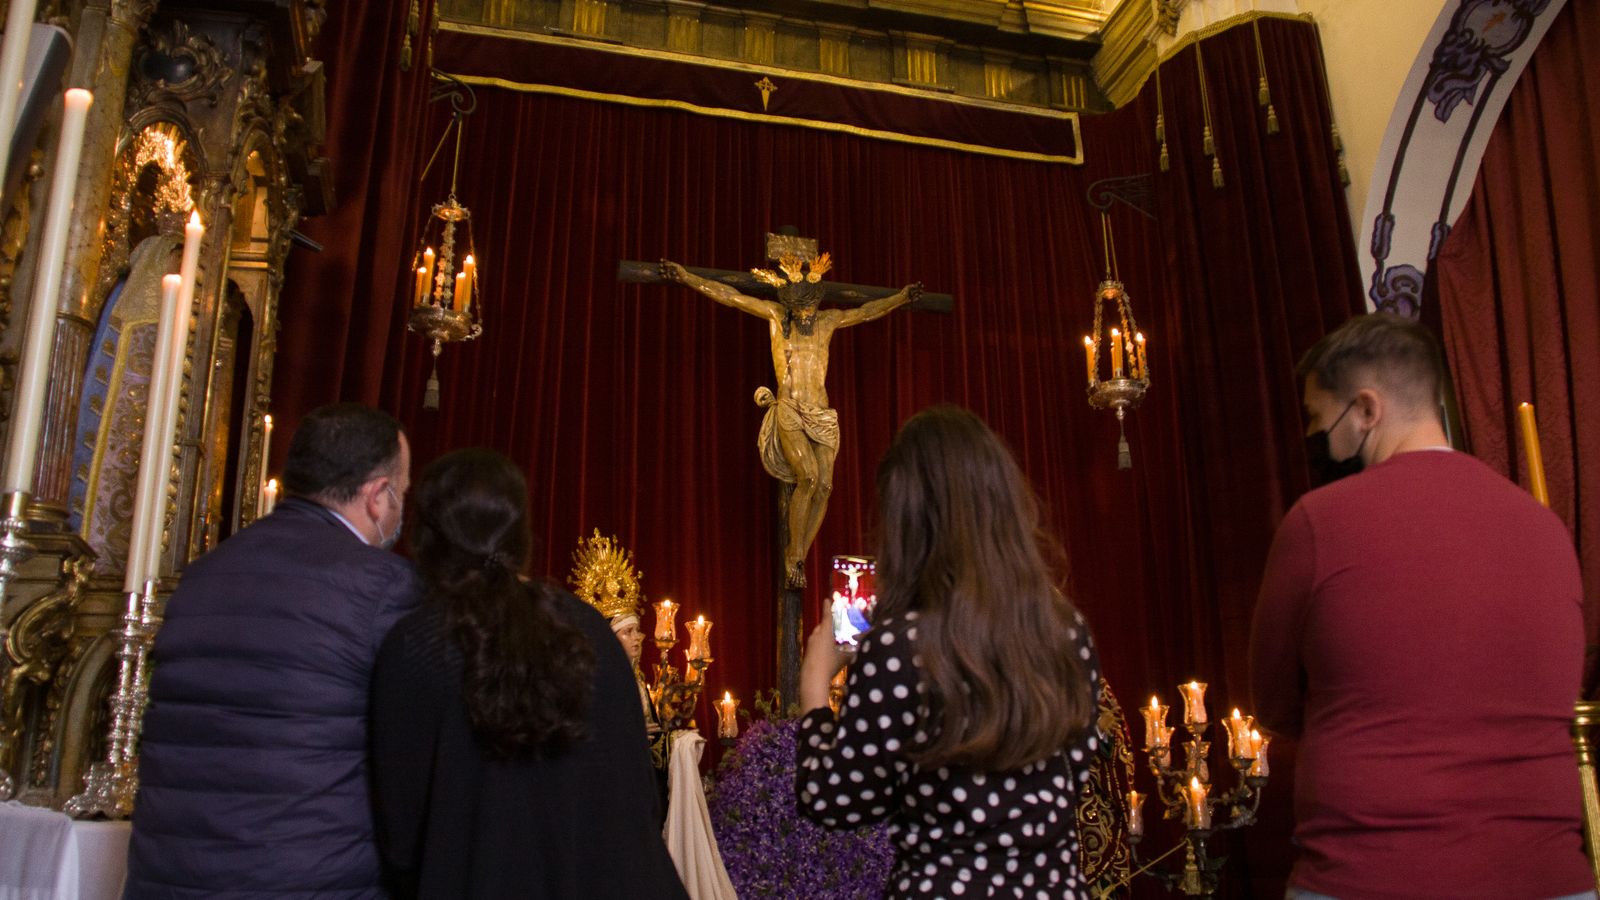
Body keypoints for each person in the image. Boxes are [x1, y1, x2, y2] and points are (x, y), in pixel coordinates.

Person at [1249, 313, 1592, 900]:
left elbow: (1274, 701)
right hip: (1546, 875)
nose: (1316, 439)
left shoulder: (1318, 521)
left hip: (1371, 872)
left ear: (1365, 409)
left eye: (1317, 418)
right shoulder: (1545, 529)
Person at [794, 405, 1102, 899]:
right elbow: (1077, 772)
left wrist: (814, 687)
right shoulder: (1066, 632)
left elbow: (835, 801)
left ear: (909, 524)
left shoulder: (899, 647)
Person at [125, 403, 419, 899]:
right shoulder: (383, 588)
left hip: (171, 876)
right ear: (376, 496)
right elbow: (408, 750)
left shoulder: (202, 576)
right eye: (402, 493)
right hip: (308, 880)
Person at [369, 449, 687, 899]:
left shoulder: (416, 647)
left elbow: (399, 839)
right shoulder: (592, 631)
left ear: (426, 544)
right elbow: (640, 800)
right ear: (523, 539)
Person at [659, 254, 921, 587]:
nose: (807, 313)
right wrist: (686, 277)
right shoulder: (775, 317)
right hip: (791, 410)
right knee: (808, 477)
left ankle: (802, 550)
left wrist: (900, 297)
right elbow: (730, 296)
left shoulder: (827, 322)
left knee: (825, 487)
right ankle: (794, 553)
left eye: (811, 305)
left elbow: (866, 311)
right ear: (791, 305)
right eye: (801, 308)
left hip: (822, 415)